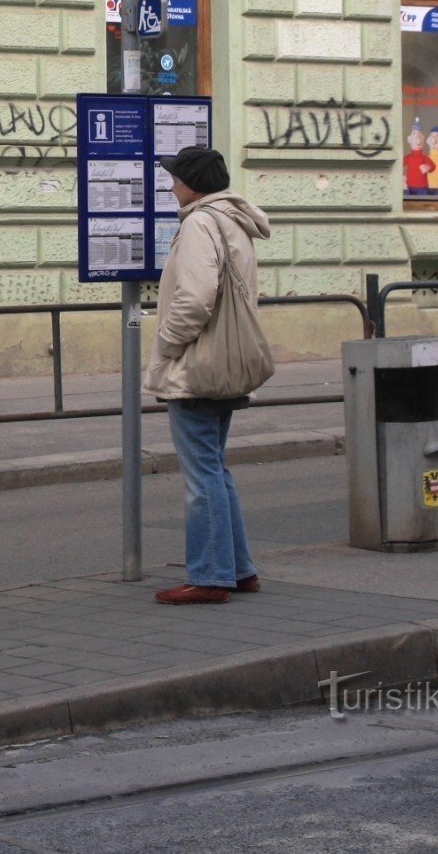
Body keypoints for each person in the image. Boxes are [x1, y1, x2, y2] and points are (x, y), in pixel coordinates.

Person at [144, 146, 276, 605]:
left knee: (201, 475)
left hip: (198, 364)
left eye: (176, 177)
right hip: (227, 362)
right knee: (215, 469)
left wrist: (165, 343)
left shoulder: (200, 222)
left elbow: (196, 299)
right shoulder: (234, 220)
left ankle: (210, 576)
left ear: (192, 183)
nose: (171, 184)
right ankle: (239, 570)